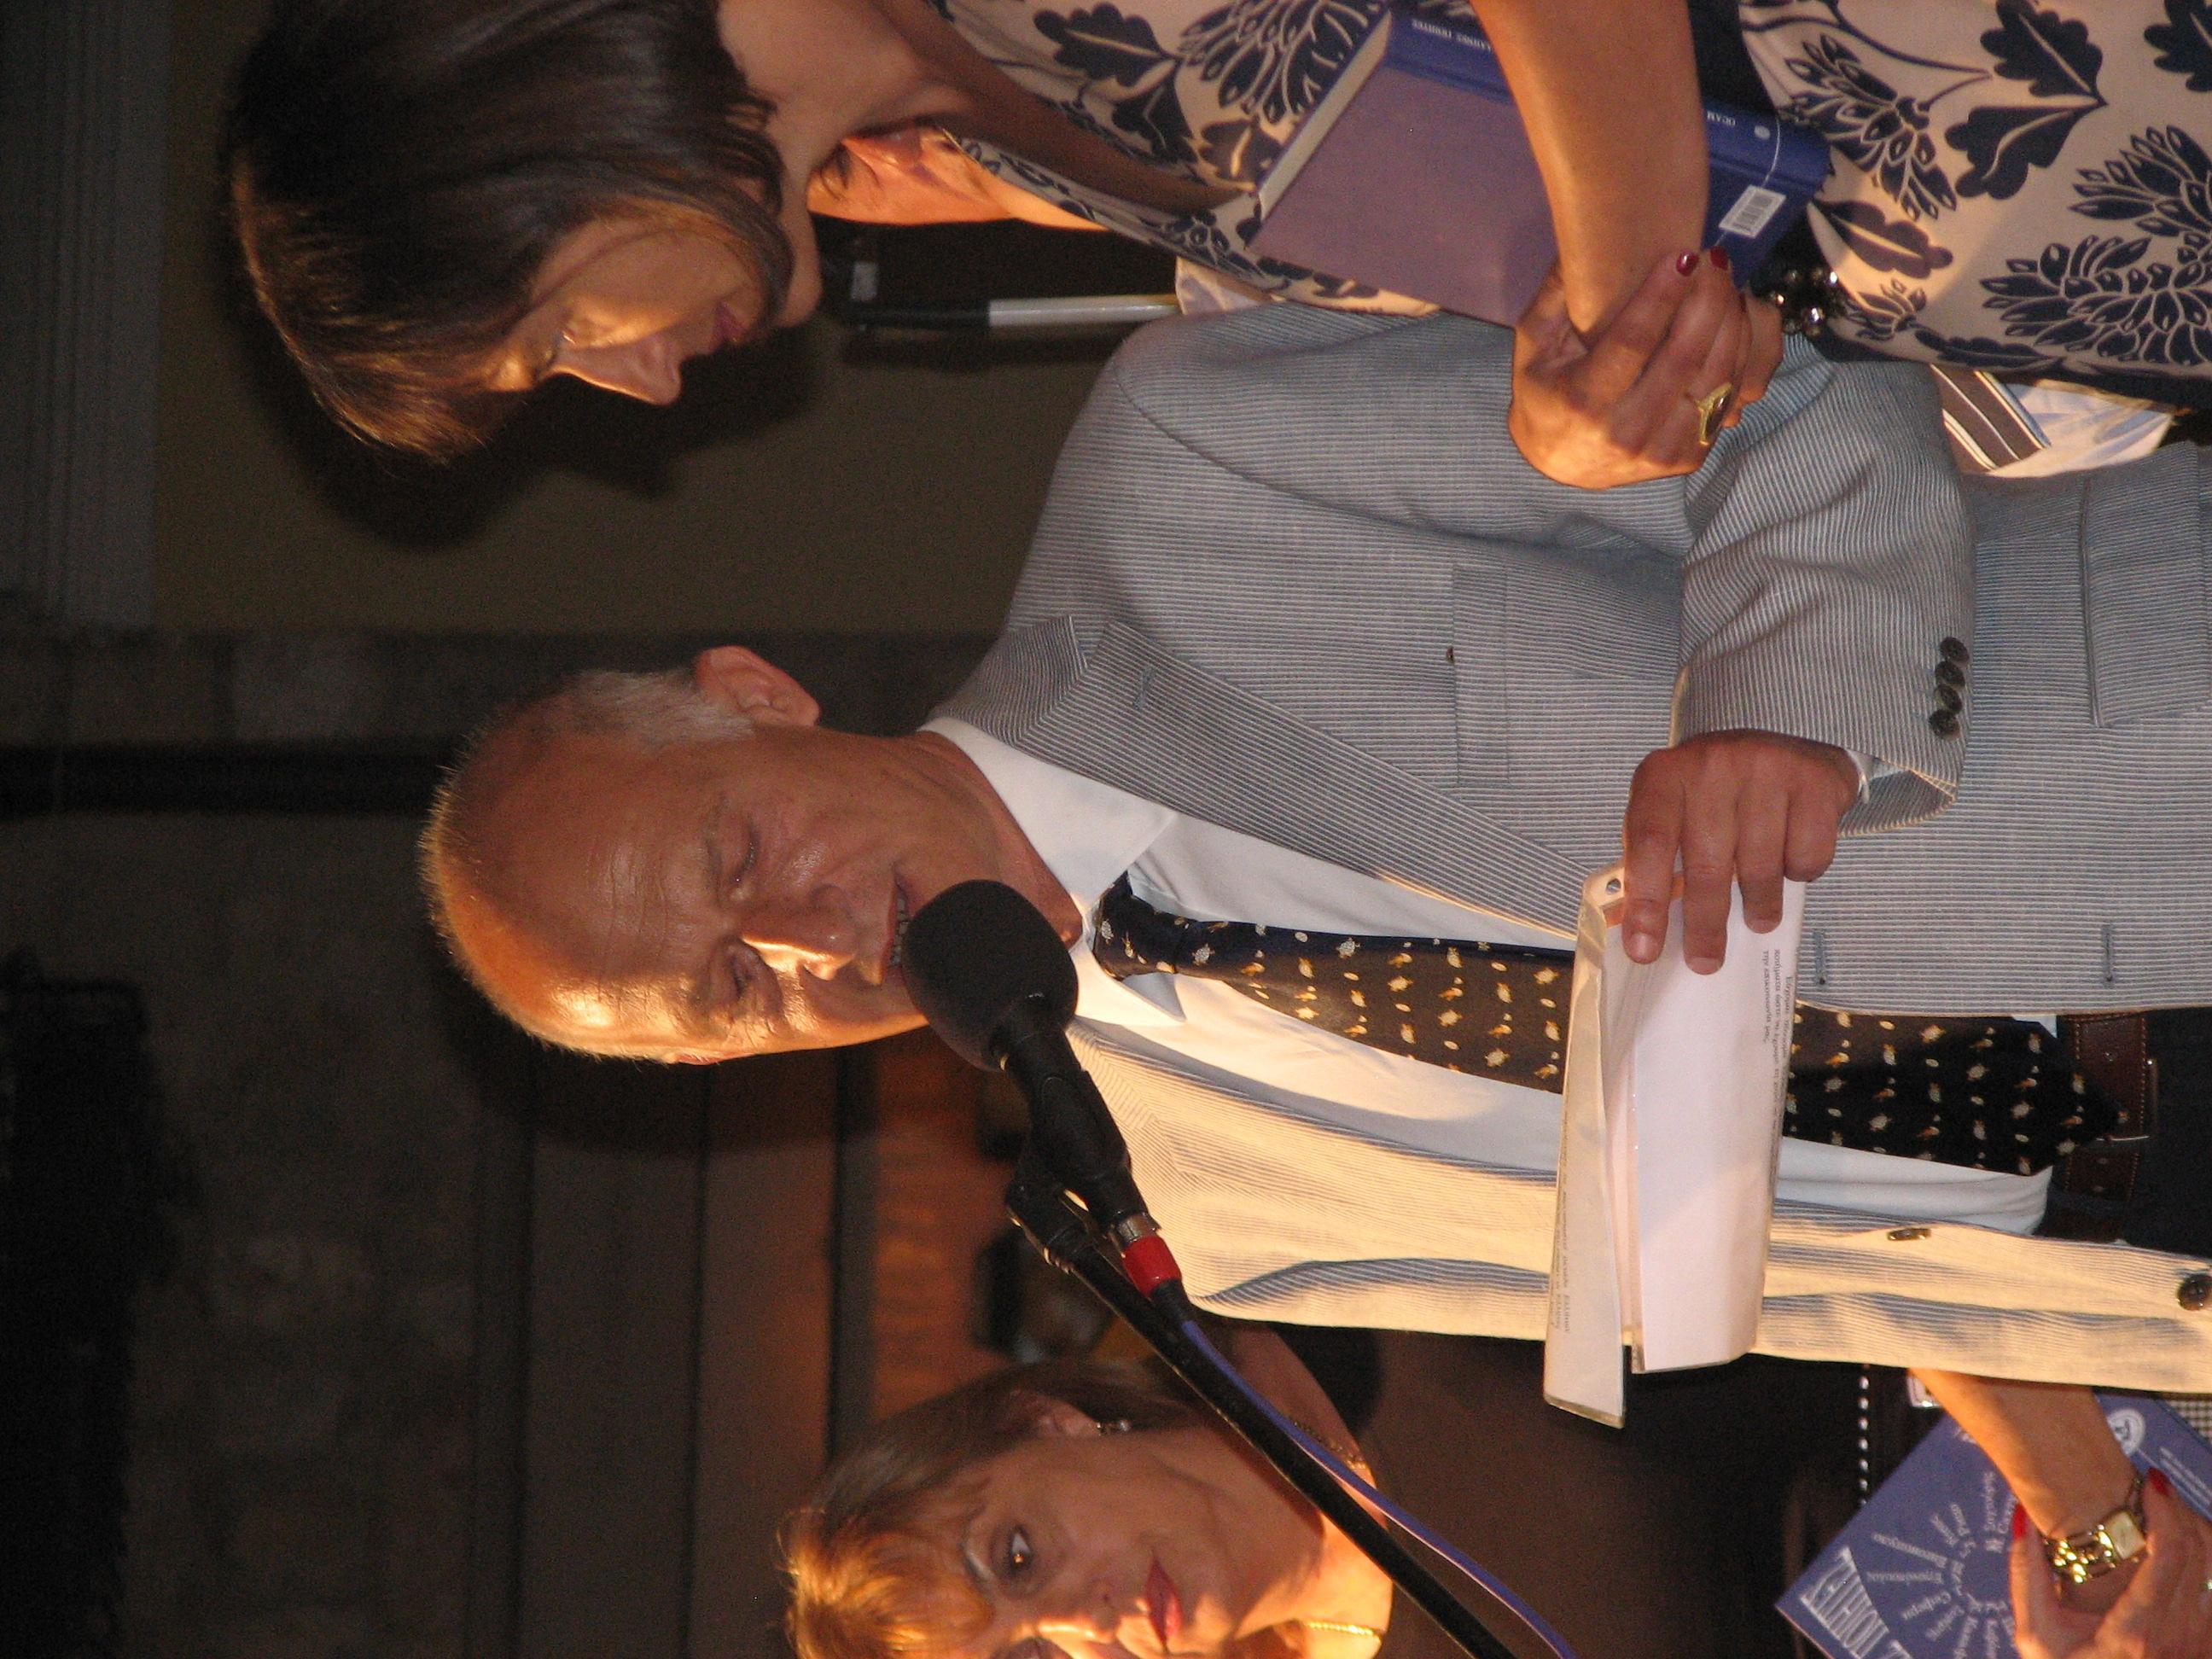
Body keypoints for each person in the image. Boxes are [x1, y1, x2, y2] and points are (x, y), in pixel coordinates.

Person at [419, 304, 2212, 1389]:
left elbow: (1784, 367)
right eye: (736, 993)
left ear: (754, 698)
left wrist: (1788, 704)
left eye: (739, 858)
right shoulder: (1204, 1218)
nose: (813, 943)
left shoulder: (1186, 465)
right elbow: (1788, 1266)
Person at [223, 0, 2208, 486]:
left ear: (536, 155)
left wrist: (1623, 301)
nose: (641, 385)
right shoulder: (940, 131)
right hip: (2080, 254)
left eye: (557, 340)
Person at [784, 1334, 2212, 1659]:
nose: (1085, 1624)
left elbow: (1828, 1192)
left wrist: (2099, 1521)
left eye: (1016, 1557)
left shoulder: (1356, 1293)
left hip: (2132, 1399)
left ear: (1046, 1420)